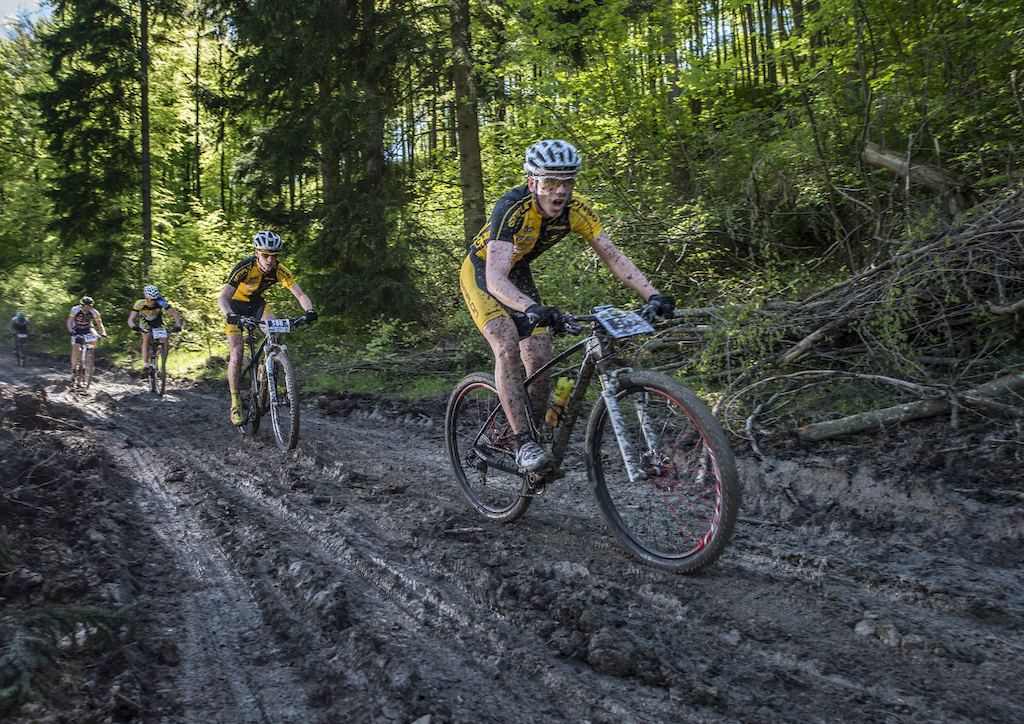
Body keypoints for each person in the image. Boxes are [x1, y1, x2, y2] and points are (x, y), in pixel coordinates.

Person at [459, 139, 675, 472]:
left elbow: (613, 256)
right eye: (550, 183)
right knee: (506, 344)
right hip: (484, 272)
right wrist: (531, 307)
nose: (560, 191)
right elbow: (496, 277)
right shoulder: (512, 207)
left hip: (518, 273)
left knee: (540, 358)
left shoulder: (577, 209)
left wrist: (652, 295)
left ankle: (537, 432)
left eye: (568, 181)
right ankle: (523, 444)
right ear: (533, 183)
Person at [217, 230, 318, 426]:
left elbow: (300, 294)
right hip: (235, 307)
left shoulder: (279, 270)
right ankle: (236, 402)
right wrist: (229, 315)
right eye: (265, 255)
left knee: (276, 331)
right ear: (256, 253)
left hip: (257, 305)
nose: (270, 260)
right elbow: (223, 297)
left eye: (273, 256)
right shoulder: (244, 268)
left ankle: (270, 375)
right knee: (237, 354)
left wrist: (310, 310)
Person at [128, 285, 182, 371]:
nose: (152, 302)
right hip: (145, 322)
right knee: (146, 337)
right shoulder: (140, 303)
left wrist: (178, 325)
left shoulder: (161, 302)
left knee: (165, 340)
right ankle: (146, 364)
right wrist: (133, 326)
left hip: (158, 322)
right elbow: (131, 319)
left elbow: (175, 314)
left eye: (155, 299)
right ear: (145, 298)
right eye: (150, 299)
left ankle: (163, 364)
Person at [67, 296, 108, 381]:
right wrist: (71, 332)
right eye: (85, 306)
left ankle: (89, 354)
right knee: (75, 350)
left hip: (88, 328)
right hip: (76, 329)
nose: (86, 308)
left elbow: (100, 324)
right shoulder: (75, 310)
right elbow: (69, 322)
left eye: (88, 306)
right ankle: (74, 371)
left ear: (91, 306)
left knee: (94, 338)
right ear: (81, 305)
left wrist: (103, 334)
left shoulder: (94, 312)